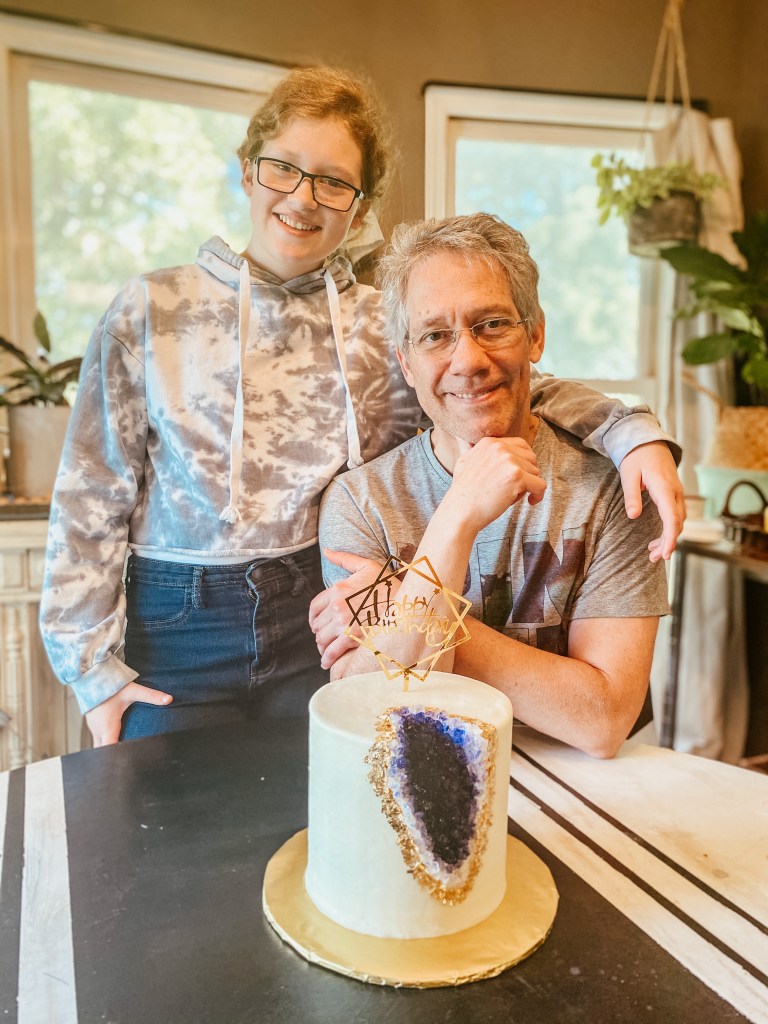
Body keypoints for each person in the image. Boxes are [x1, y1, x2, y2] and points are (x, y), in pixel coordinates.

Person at [40, 67, 681, 748]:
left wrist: (628, 433)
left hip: (322, 599)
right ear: (248, 170)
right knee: (168, 802)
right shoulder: (153, 308)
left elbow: (492, 387)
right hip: (180, 619)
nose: (303, 197)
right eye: (283, 168)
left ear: (360, 205)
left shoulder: (382, 322)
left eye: (333, 181)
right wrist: (91, 671)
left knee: (326, 797)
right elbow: (91, 490)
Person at [311, 213, 672, 759]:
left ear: (536, 334)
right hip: (421, 775)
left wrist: (408, 601)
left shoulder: (615, 486)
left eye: (493, 324)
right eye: (435, 336)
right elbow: (374, 709)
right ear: (406, 364)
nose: (468, 360)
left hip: (582, 780)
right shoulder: (359, 502)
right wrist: (457, 517)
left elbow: (603, 721)